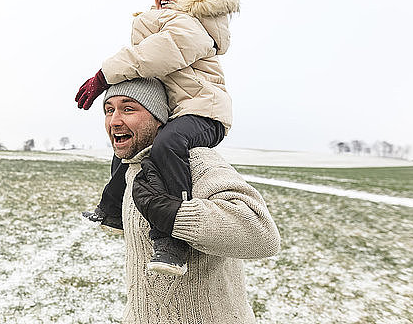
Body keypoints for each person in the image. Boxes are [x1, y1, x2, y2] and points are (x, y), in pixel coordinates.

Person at [76, 0, 240, 275]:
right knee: (129, 149)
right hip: (181, 110)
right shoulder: (166, 21)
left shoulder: (190, 24)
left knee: (167, 145)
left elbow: (156, 54)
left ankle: (173, 238)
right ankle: (111, 211)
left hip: (205, 112)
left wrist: (103, 75)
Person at [98, 78, 280, 324]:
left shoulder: (196, 161)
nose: (114, 120)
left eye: (128, 108)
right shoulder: (131, 170)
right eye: (109, 110)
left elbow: (263, 235)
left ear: (158, 117)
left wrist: (174, 214)